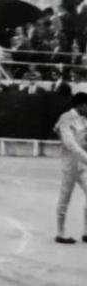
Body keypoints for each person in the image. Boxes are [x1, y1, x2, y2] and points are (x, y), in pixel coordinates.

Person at [53, 92, 87, 244]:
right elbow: (69, 143)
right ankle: (60, 233)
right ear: (80, 105)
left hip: (81, 163)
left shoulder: (84, 120)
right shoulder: (66, 117)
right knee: (65, 197)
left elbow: (83, 141)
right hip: (69, 164)